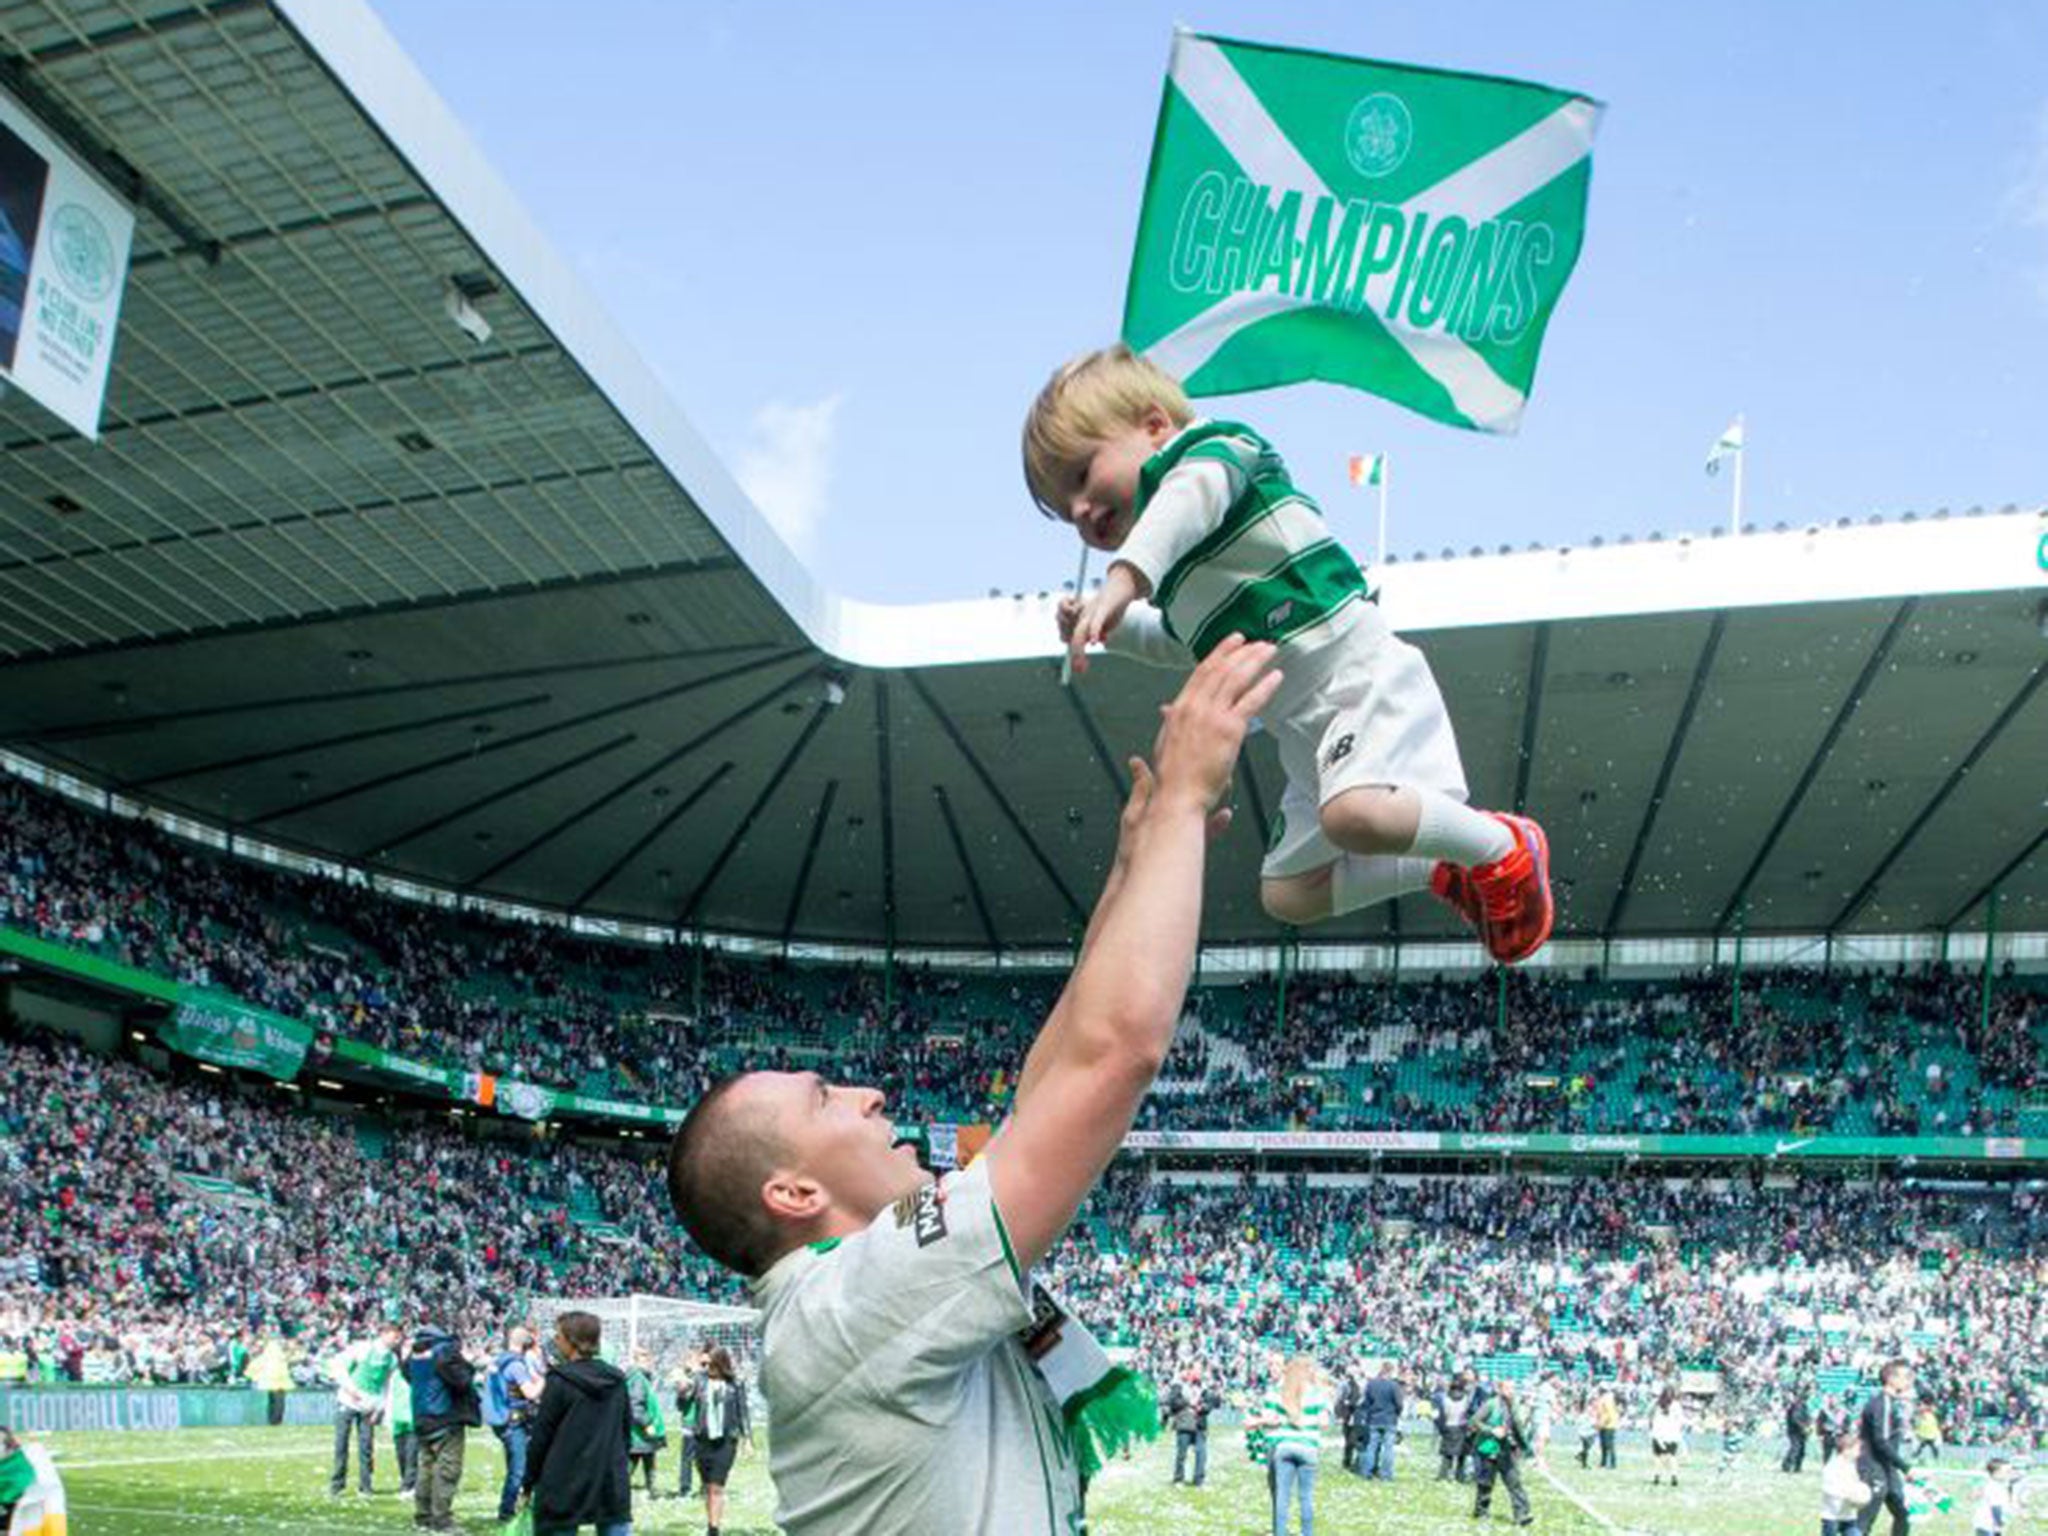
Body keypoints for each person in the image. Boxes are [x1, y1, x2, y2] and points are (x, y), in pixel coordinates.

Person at [665, 637, 1278, 1534]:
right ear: (794, 1192)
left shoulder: (847, 1299)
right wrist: (1183, 798)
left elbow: (1048, 1092)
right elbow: (1116, 1057)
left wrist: (1129, 871)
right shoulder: (854, 1303)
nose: (868, 1095)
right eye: (824, 1099)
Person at [1025, 343, 1553, 955]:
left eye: (1083, 476)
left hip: (1355, 679)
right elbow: (1181, 643)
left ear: (1153, 426)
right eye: (1067, 510)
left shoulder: (1222, 453)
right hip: (1304, 738)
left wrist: (1121, 581)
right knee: (1287, 892)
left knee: (1353, 816)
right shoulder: (1176, 576)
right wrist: (1110, 630)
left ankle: (1503, 847)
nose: (1081, 510)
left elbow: (1187, 498)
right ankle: (1441, 866)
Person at [522, 1310, 632, 1536]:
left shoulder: (559, 1381)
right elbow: (625, 1431)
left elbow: (542, 1435)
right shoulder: (617, 1380)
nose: (555, 1340)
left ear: (572, 1341)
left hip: (564, 1478)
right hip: (608, 1476)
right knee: (614, 1521)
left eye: (559, 1336)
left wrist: (529, 1481)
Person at [405, 1324, 479, 1534]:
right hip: (445, 1418)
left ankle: (423, 1517)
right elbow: (463, 1380)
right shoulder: (444, 1351)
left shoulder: (414, 1352)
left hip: (421, 1418)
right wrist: (467, 1362)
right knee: (447, 1470)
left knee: (426, 1470)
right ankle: (442, 1520)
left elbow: (407, 1375)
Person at [677, 1347, 751, 1536]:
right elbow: (683, 1406)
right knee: (708, 1486)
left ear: (721, 1364)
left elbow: (743, 1411)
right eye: (705, 1363)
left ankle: (714, 1529)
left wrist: (747, 1439)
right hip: (702, 1440)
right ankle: (711, 1524)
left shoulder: (735, 1383)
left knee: (717, 1486)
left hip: (726, 1442)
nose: (706, 1367)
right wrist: (682, 1391)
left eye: (710, 1363)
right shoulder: (699, 1380)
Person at [1256, 1355, 1330, 1536]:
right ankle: (1307, 1533)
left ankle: (1280, 1533)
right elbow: (1324, 1422)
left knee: (1283, 1497)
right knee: (1306, 1497)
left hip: (1284, 1446)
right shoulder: (1317, 1393)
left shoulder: (1280, 1391)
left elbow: (1270, 1417)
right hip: (1308, 1447)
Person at [328, 1322, 402, 1497]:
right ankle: (337, 1485)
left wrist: (380, 1408)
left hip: (369, 1406)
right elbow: (339, 1367)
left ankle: (366, 1485)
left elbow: (386, 1385)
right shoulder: (363, 1349)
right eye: (395, 1335)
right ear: (384, 1334)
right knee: (341, 1444)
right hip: (347, 1402)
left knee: (366, 1446)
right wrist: (350, 1389)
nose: (397, 1339)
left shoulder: (392, 1359)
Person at [485, 1326, 546, 1524]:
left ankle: (519, 1507)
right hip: (514, 1421)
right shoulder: (516, 1365)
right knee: (519, 1470)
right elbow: (530, 1393)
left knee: (515, 1466)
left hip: (501, 1419)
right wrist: (544, 1380)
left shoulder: (498, 1360)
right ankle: (507, 1512)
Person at [1858, 1360, 1916, 1536]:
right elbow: (1881, 1441)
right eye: (1906, 1377)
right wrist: (1905, 1467)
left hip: (1887, 1467)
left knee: (1903, 1513)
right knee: (1865, 1518)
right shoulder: (1882, 1403)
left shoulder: (1893, 1403)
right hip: (1873, 1466)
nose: (1910, 1381)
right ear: (1891, 1378)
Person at [1468, 1377, 1534, 1526]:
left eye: (1513, 1388)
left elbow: (1518, 1429)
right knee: (1486, 1484)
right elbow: (1473, 1421)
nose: (1511, 1391)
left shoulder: (1513, 1406)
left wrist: (1527, 1450)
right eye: (1508, 1388)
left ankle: (1522, 1515)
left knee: (1514, 1482)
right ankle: (1480, 1511)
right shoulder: (1491, 1404)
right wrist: (1491, 1430)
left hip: (1506, 1451)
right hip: (1488, 1449)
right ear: (1499, 1389)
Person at [624, 1348, 668, 1499]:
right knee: (631, 1463)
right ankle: (617, 1492)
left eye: (649, 1358)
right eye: (644, 1358)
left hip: (644, 1433)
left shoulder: (643, 1377)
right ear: (636, 1360)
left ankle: (652, 1490)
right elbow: (635, 1406)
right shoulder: (636, 1378)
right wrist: (647, 1423)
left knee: (649, 1460)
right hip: (639, 1433)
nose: (649, 1362)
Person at [1167, 1368, 1221, 1487]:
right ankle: (1178, 1479)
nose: (1196, 1376)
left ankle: (1199, 1480)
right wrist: (1189, 1402)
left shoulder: (1204, 1389)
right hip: (1184, 1424)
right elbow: (1173, 1402)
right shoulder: (1178, 1387)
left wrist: (1203, 1407)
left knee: (1201, 1454)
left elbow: (1212, 1404)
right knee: (1182, 1454)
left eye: (1198, 1374)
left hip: (1199, 1425)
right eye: (1193, 1373)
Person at [1821, 1431, 1873, 1536]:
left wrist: (1861, 1493)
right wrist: (1847, 1495)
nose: (1859, 1453)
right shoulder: (1832, 1467)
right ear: (1846, 1450)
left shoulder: (1852, 1467)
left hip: (1849, 1515)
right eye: (1857, 1449)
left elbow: (1856, 1485)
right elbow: (1827, 1488)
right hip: (1832, 1516)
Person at [1361, 1360, 1402, 1481]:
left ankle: (1367, 1472)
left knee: (1371, 1446)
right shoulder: (1394, 1385)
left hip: (1374, 1418)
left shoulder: (1371, 1384)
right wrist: (1397, 1414)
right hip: (1389, 1419)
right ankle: (1386, 1474)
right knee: (1388, 1448)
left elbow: (1367, 1402)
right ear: (1391, 1371)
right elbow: (1399, 1403)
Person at [672, 1350, 704, 1500]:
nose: (685, 1363)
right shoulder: (690, 1378)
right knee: (692, 1458)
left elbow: (691, 1396)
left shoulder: (698, 1378)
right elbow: (680, 1404)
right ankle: (688, 1489)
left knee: (693, 1458)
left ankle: (688, 1490)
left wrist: (684, 1387)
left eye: (688, 1360)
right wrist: (679, 1388)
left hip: (696, 1423)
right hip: (691, 1423)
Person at [385, 1353, 418, 1497]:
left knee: (412, 1453)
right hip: (397, 1419)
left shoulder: (417, 1375)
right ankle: (406, 1481)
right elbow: (389, 1395)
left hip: (412, 1418)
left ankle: (409, 1485)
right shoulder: (395, 1375)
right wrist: (388, 1416)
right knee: (401, 1454)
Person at [1435, 1373, 1475, 1481]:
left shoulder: (1445, 1399)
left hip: (1449, 1425)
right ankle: (1459, 1475)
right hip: (1461, 1426)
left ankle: (1443, 1475)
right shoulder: (1466, 1398)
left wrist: (1441, 1427)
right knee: (1462, 1454)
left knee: (1447, 1454)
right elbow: (1468, 1412)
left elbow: (1442, 1414)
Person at [1972, 1456, 2020, 1536]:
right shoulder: (1994, 1488)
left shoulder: (1999, 1484)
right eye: (2007, 1471)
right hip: (1988, 1525)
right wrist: (1998, 1524)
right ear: (1996, 1473)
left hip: (1986, 1525)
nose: (2011, 1473)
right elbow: (1996, 1508)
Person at [1650, 1388, 1687, 1487]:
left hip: (1658, 1434)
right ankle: (1674, 1476)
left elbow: (1652, 1418)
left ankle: (1657, 1476)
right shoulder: (1676, 1405)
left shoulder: (1657, 1404)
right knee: (1672, 1457)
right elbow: (1681, 1420)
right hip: (1673, 1435)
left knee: (1658, 1457)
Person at [1785, 1389, 1814, 1474]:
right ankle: (1789, 1466)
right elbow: (1795, 1419)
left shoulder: (1803, 1406)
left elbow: (1807, 1417)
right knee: (1795, 1449)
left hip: (1800, 1432)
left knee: (1801, 1450)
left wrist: (1809, 1425)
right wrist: (1804, 1427)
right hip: (1795, 1431)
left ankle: (1797, 1467)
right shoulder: (1798, 1406)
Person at [1594, 1386, 1620, 1470]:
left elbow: (1608, 1414)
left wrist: (1601, 1423)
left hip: (1609, 1425)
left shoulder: (1607, 1399)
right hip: (1604, 1424)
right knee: (1603, 1445)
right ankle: (1603, 1463)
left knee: (1609, 1445)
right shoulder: (1603, 1399)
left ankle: (1612, 1464)